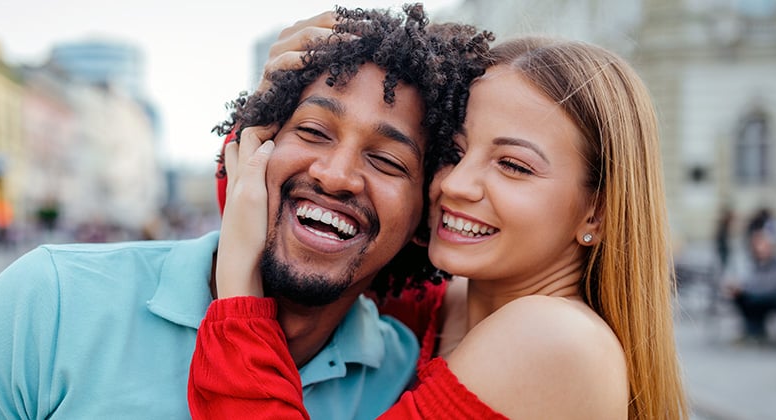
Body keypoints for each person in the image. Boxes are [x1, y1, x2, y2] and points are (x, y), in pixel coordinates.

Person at [0, 5, 491, 419]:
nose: (335, 175)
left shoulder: (402, 372)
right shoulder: (50, 300)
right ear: (248, 147)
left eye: (388, 162)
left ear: (425, 215)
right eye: (312, 130)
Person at [189, 35, 689, 419]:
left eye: (513, 165)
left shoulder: (555, 339)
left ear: (596, 212)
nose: (457, 184)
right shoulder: (454, 309)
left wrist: (238, 292)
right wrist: (278, 99)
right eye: (453, 152)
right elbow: (311, 240)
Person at [727, 228, 776, 343]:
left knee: (747, 298)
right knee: (740, 297)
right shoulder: (757, 263)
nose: (758, 248)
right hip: (761, 295)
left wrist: (746, 291)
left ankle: (754, 331)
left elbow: (774, 286)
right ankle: (753, 330)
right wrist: (740, 288)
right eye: (756, 245)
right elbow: (752, 281)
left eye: (761, 244)